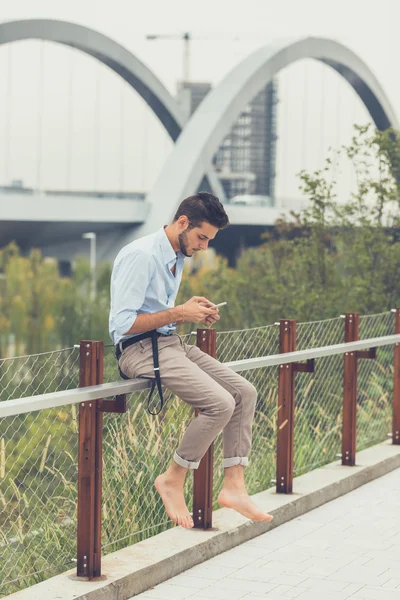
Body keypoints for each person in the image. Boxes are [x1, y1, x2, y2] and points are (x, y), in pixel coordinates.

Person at [109, 192, 273, 528]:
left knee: (244, 393)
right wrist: (181, 312)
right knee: (220, 403)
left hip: (169, 343)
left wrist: (190, 310)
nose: (204, 246)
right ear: (182, 222)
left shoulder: (175, 255)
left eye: (209, 240)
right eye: (201, 237)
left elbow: (157, 311)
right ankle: (172, 477)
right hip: (140, 350)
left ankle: (234, 487)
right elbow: (122, 324)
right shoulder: (141, 256)